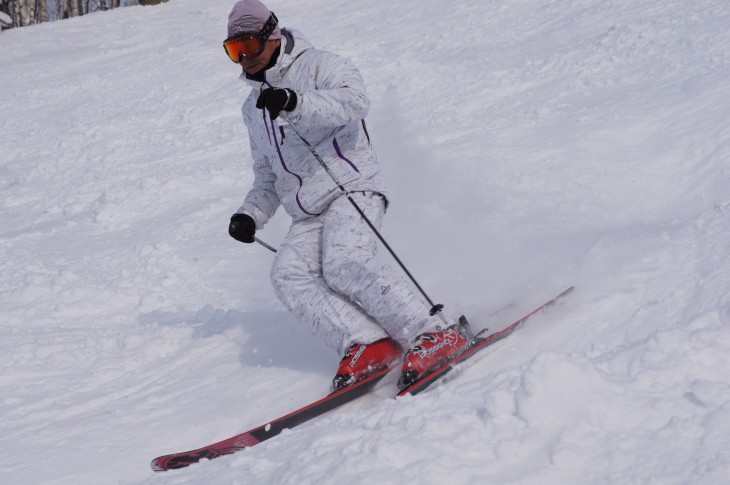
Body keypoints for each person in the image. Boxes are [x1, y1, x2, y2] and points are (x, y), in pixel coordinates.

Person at [224, 0, 470, 391]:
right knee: (288, 275)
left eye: (249, 46)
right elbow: (267, 174)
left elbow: (356, 101)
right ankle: (368, 343)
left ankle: (434, 331)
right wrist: (251, 214)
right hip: (307, 213)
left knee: (345, 260)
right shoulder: (252, 108)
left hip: (351, 188)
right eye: (234, 51)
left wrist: (296, 101)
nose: (243, 59)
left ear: (272, 35)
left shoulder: (319, 65)